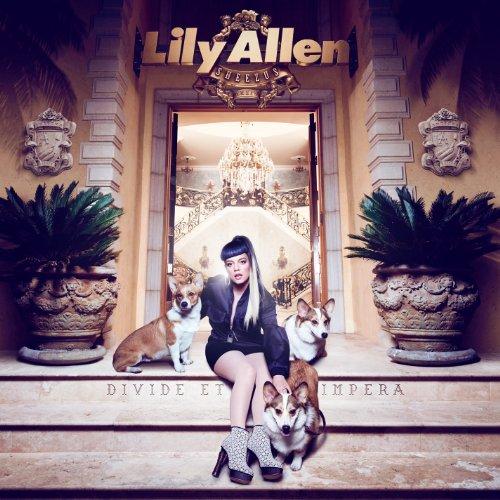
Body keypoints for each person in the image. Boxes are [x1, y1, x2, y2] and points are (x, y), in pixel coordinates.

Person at [202, 235, 291, 485]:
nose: (236, 269)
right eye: (230, 264)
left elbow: (272, 331)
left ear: (251, 261)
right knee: (246, 373)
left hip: (252, 344)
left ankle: (260, 441)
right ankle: (237, 441)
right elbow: (187, 312)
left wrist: (279, 372)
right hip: (220, 345)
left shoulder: (262, 296)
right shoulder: (214, 287)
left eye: (241, 262)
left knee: (264, 378)